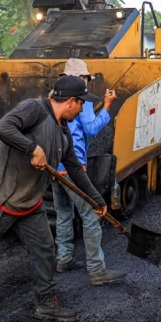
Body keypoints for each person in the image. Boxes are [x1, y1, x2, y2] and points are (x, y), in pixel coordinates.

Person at [0, 75, 109, 322]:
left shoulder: (63, 134)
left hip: (30, 204)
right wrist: (32, 149)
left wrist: (97, 200)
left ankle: (46, 303)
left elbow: (76, 170)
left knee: (45, 251)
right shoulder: (34, 109)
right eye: (82, 104)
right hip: (0, 201)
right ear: (71, 101)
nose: (82, 109)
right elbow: (2, 128)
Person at [53, 59, 124, 286]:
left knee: (64, 213)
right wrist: (107, 106)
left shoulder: (53, 99)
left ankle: (63, 258)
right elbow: (92, 130)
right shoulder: (78, 101)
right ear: (81, 79)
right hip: (73, 168)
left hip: (54, 167)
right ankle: (97, 270)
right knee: (91, 215)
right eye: (84, 80)